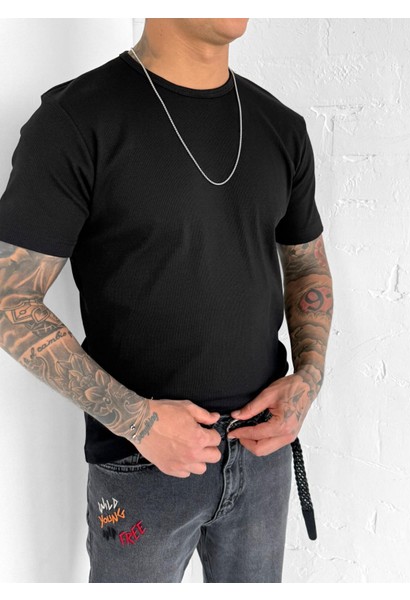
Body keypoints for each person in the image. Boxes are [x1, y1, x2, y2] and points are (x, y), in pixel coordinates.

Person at [0, 18, 333, 583]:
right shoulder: (76, 119)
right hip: (139, 464)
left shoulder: (281, 126)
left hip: (263, 452)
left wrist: (309, 378)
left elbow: (307, 267)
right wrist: (137, 422)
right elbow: (10, 298)